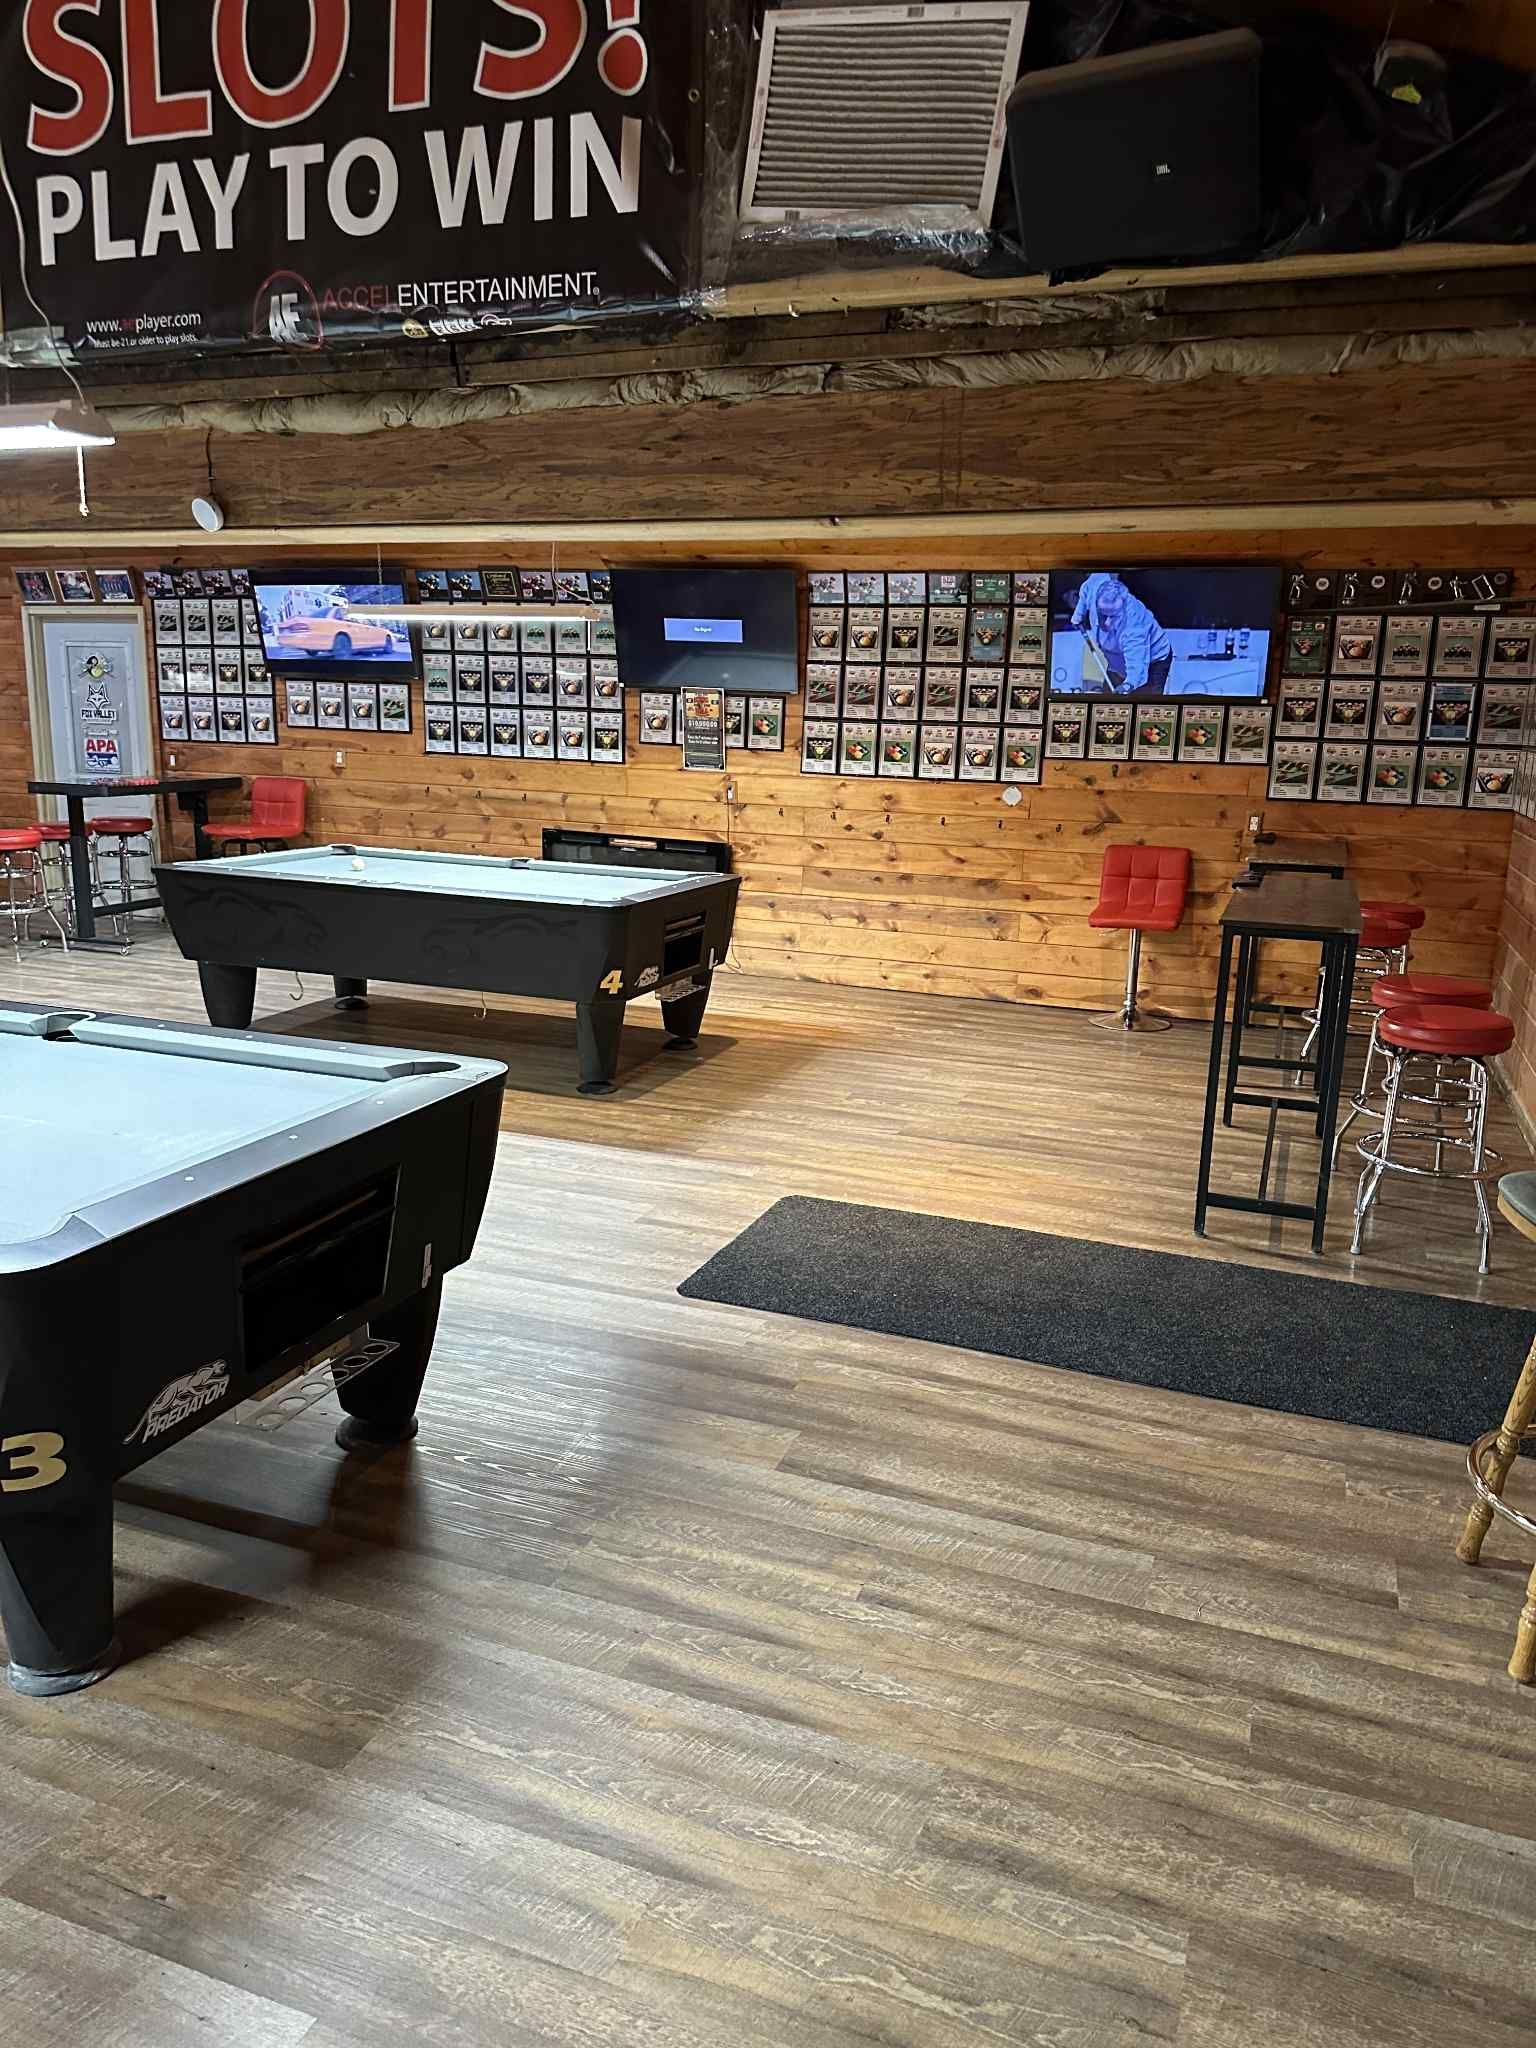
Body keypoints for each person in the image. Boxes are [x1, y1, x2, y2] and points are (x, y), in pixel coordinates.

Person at [1070, 572, 1173, 696]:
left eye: (1113, 616)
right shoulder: (1097, 584)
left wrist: (1128, 685)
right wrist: (1078, 615)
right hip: (1117, 660)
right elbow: (1086, 589)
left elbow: (1137, 665)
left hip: (1153, 662)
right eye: (1103, 614)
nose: (1107, 622)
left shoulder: (1134, 627)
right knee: (1107, 705)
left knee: (1143, 706)